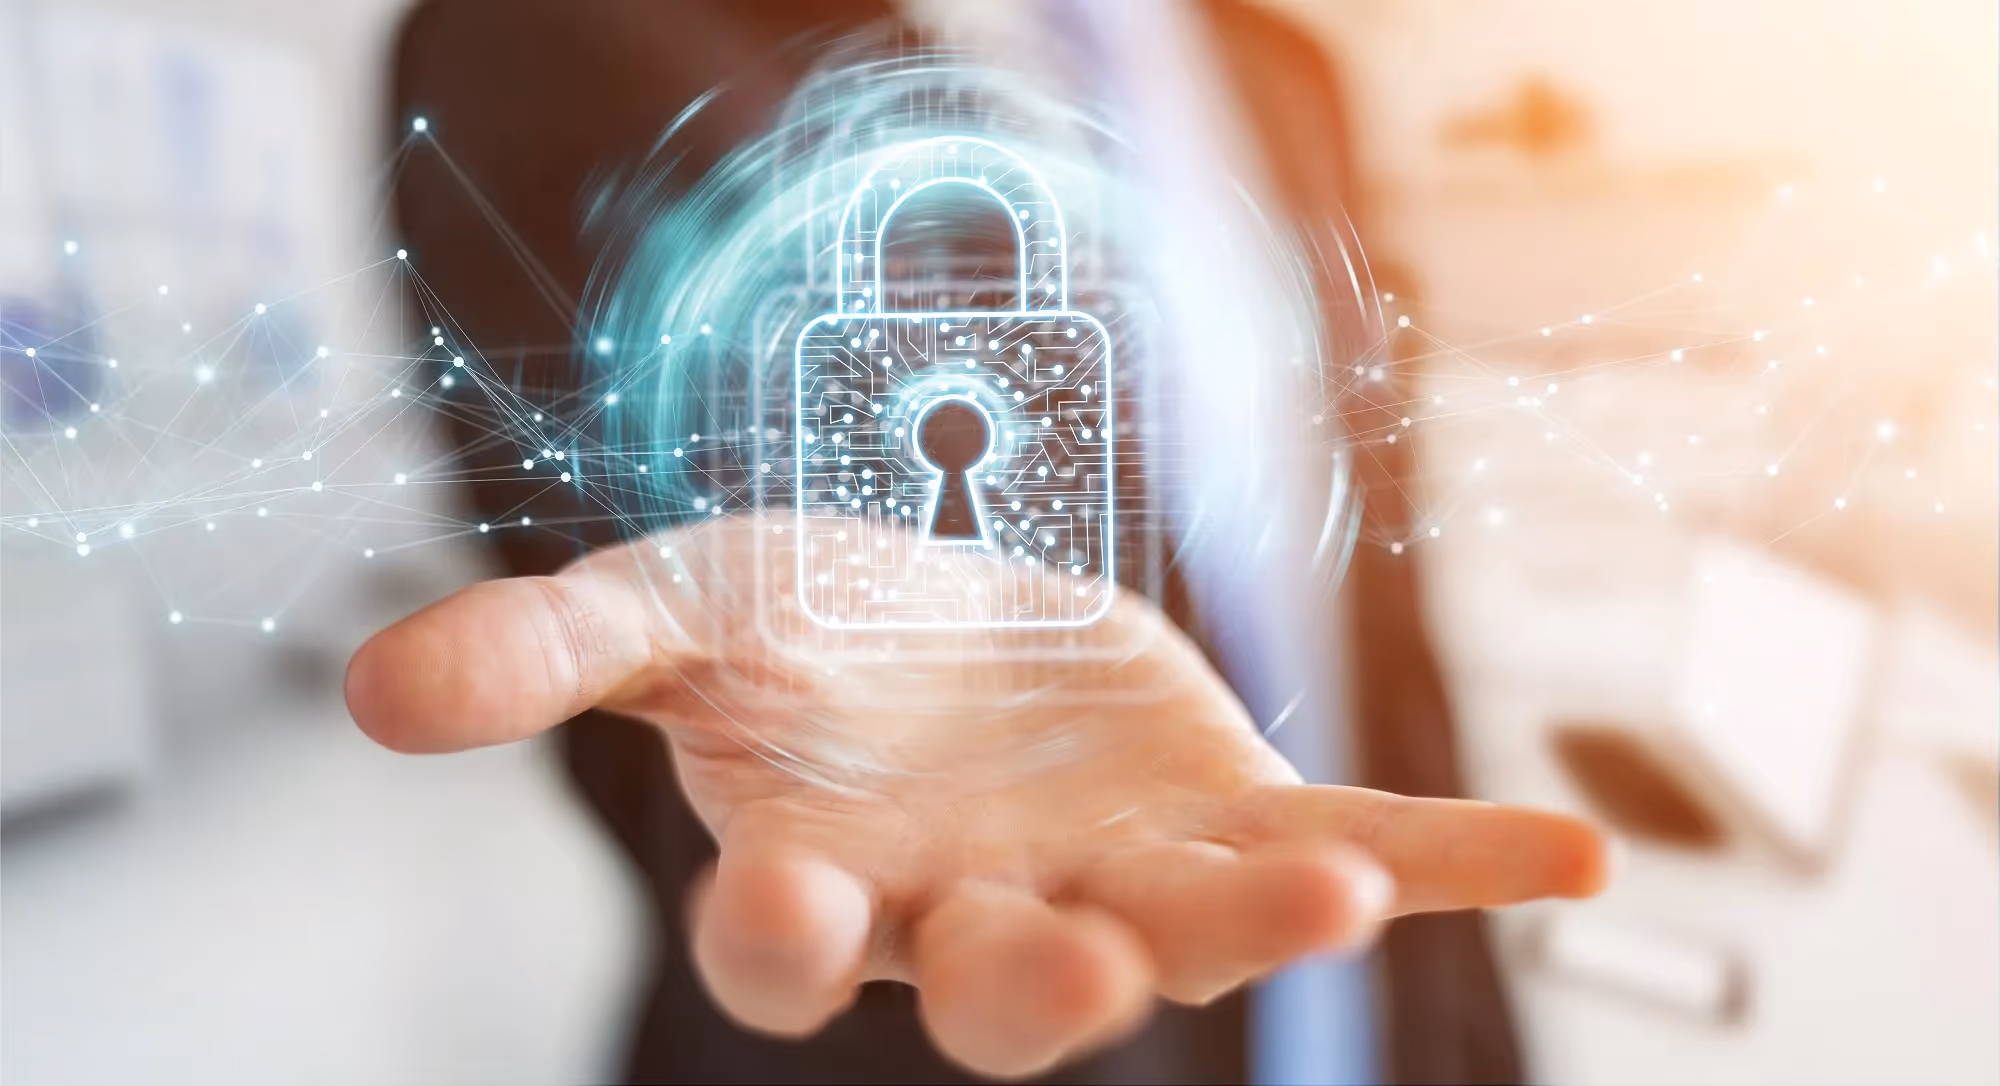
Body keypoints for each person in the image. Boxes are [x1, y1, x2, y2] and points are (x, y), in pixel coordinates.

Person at [359, 1, 1610, 1081]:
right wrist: (847, 722)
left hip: (1350, 1004)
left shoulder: (1284, 72)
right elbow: (656, 587)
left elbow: (1375, 626)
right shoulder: (558, 35)